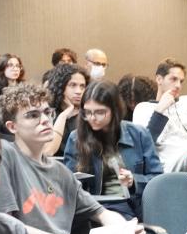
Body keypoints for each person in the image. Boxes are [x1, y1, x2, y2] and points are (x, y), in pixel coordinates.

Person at [0, 83, 149, 234]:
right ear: (12, 127)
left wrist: (125, 231)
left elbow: (102, 213)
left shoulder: (61, 172)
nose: (45, 120)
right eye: (32, 115)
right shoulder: (5, 156)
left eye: (47, 112)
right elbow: (7, 226)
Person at [64, 80, 163, 219]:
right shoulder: (76, 138)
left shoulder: (138, 134)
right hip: (91, 207)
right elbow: (69, 184)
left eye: (100, 112)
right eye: (87, 112)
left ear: (115, 110)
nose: (92, 118)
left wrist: (134, 181)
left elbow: (157, 179)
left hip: (128, 205)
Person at [131, 58, 187, 172]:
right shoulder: (143, 108)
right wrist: (159, 110)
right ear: (159, 79)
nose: (178, 85)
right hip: (170, 165)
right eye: (173, 79)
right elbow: (142, 147)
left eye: (181, 81)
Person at [43, 63, 87, 157]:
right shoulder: (46, 113)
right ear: (60, 86)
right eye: (72, 85)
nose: (79, 91)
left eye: (82, 86)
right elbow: (48, 151)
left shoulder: (87, 115)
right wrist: (64, 115)